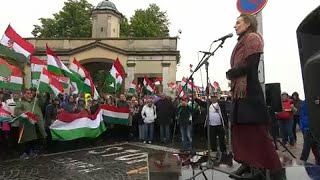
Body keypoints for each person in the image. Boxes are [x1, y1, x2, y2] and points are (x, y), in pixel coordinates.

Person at [226, 14, 283, 179]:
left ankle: (273, 171)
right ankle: (248, 164)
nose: (234, 26)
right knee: (242, 130)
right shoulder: (241, 41)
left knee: (256, 132)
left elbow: (251, 66)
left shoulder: (252, 38)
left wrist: (232, 72)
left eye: (238, 22)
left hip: (250, 93)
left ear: (248, 23)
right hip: (240, 93)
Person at [299, 100, 320, 165]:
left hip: (314, 127)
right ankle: (302, 162)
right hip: (308, 128)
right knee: (307, 147)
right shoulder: (305, 103)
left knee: (314, 146)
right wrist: (303, 127)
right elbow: (302, 115)